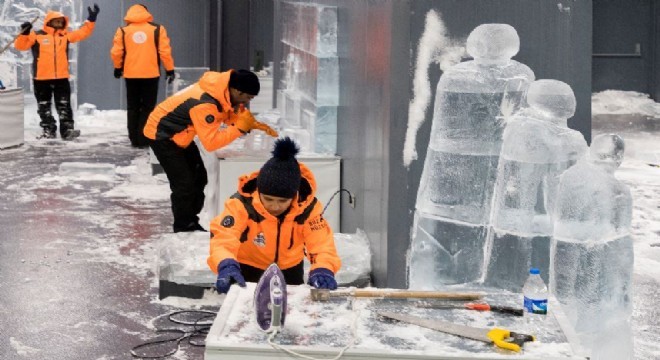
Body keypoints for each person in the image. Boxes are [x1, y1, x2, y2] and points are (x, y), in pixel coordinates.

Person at [144, 69, 277, 233]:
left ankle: (191, 220)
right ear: (237, 91)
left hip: (179, 133)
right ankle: (184, 226)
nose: (248, 102)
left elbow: (223, 114)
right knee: (184, 184)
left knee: (199, 177)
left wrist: (249, 124)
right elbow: (211, 142)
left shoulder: (219, 91)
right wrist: (240, 129)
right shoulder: (205, 103)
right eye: (247, 97)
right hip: (163, 136)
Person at [207, 137, 341, 294]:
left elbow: (321, 244)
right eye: (268, 199)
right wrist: (226, 263)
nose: (275, 206)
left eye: (282, 201)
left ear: (293, 196)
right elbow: (223, 238)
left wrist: (323, 268)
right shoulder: (241, 204)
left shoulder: (308, 210)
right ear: (259, 191)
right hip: (248, 270)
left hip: (290, 271)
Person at [14, 4, 100, 140]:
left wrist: (91, 20)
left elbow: (82, 33)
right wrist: (24, 33)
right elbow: (21, 46)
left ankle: (67, 131)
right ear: (49, 22)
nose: (59, 24)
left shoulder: (65, 36)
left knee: (64, 105)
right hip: (41, 78)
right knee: (44, 106)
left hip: (61, 78)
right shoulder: (37, 36)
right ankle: (48, 130)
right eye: (57, 21)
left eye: (61, 22)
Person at [110, 4, 175, 148]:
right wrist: (169, 69)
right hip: (151, 74)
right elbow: (165, 52)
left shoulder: (123, 30)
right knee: (148, 107)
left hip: (131, 74)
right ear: (147, 13)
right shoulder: (157, 29)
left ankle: (134, 139)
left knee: (133, 107)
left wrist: (117, 67)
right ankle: (144, 138)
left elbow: (116, 52)